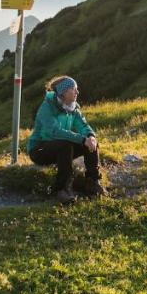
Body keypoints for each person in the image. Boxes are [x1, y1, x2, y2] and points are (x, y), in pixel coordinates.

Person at [27, 75, 103, 203]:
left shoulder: (73, 107)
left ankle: (92, 182)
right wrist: (82, 139)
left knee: (90, 144)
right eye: (74, 89)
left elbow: (83, 125)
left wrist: (90, 136)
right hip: (39, 150)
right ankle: (60, 189)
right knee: (65, 145)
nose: (77, 92)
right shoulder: (46, 108)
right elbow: (55, 132)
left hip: (60, 147)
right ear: (63, 92)